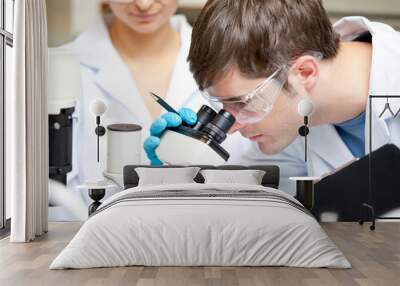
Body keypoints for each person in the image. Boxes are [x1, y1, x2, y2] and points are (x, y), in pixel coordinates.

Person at [146, 0, 400, 197]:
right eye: (222, 106)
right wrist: (178, 171)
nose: (232, 127)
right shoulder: (287, 120)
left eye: (243, 102)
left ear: (304, 73)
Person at [50, 0, 251, 220]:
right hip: (101, 238)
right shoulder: (59, 67)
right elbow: (55, 197)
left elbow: (256, 167)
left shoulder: (233, 59)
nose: (144, 5)